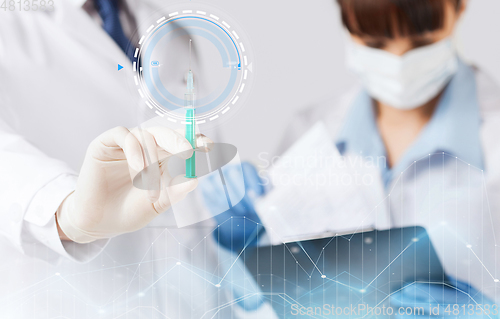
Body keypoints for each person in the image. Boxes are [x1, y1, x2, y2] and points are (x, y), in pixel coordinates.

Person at [202, 0, 500, 315]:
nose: (399, 62)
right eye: (375, 43)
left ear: (460, 7)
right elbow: (265, 304)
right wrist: (244, 244)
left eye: (423, 42)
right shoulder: (311, 133)